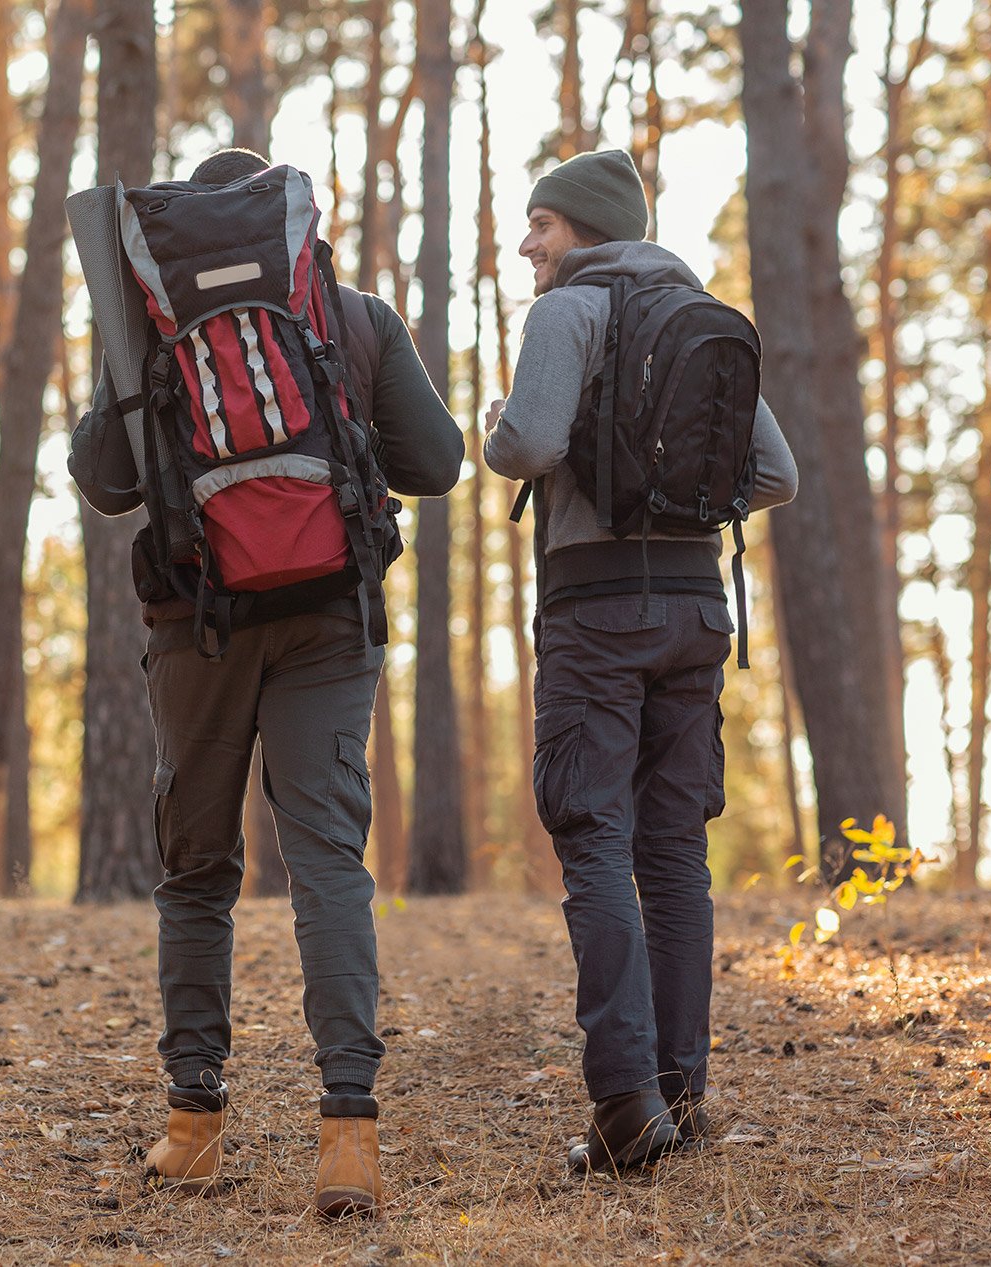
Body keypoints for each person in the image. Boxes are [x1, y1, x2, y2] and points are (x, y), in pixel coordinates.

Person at [69, 148, 464, 1217]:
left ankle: (193, 1126)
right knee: (328, 864)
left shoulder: (148, 325)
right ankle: (347, 1137)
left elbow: (105, 483)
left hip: (195, 621)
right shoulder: (353, 316)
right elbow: (438, 462)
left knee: (197, 872)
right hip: (331, 620)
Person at [482, 149, 798, 1174]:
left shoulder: (568, 312)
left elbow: (528, 444)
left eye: (540, 223)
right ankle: (679, 1094)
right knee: (672, 853)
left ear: (582, 226)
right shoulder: (697, 311)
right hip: (697, 609)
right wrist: (687, 513)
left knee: (593, 840)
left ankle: (622, 1110)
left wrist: (500, 431)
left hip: (595, 608)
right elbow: (776, 475)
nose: (528, 243)